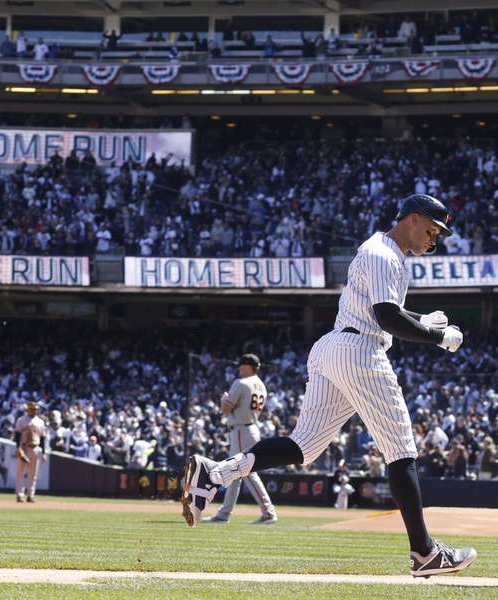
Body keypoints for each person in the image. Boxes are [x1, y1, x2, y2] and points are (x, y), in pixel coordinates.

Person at [180, 194, 476, 578]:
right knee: (401, 450)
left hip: (333, 347)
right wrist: (437, 338)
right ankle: (424, 553)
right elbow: (386, 317)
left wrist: (425, 321)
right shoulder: (384, 254)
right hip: (360, 351)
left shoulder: (383, 252)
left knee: (303, 447)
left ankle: (214, 474)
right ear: (413, 219)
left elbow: (385, 310)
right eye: (432, 230)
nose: (434, 241)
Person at [202, 353, 277, 525]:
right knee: (233, 473)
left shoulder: (241, 383)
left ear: (248, 366)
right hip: (250, 428)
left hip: (242, 430)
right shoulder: (261, 386)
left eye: (241, 365)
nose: (238, 368)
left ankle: (268, 512)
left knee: (247, 472)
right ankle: (224, 514)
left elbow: (226, 410)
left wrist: (224, 400)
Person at [13, 401, 47, 503]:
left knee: (33, 474)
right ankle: (19, 495)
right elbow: (17, 435)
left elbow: (43, 438)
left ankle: (30, 495)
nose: (34, 411)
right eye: (32, 409)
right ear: (28, 409)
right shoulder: (21, 420)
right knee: (20, 473)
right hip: (24, 447)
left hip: (35, 448)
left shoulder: (40, 422)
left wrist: (44, 452)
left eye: (35, 409)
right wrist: (18, 448)